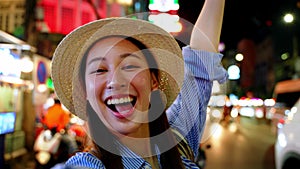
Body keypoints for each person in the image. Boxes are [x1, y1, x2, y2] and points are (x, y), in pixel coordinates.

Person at [50, 0, 227, 168]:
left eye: (129, 66)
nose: (115, 81)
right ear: (85, 92)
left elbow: (200, 60)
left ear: (154, 81)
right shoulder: (88, 164)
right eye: (99, 70)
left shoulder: (177, 143)